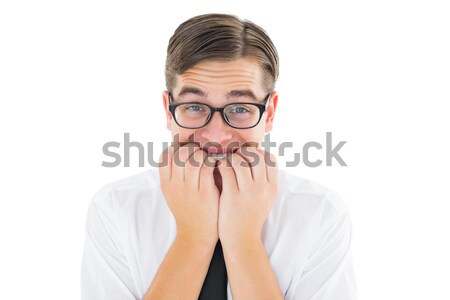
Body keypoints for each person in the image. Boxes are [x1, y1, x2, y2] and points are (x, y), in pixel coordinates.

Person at [81, 13, 357, 300]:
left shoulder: (320, 213)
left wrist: (243, 241)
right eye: (195, 107)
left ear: (269, 113)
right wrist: (194, 238)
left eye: (239, 108)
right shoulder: (116, 207)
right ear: (168, 110)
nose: (216, 135)